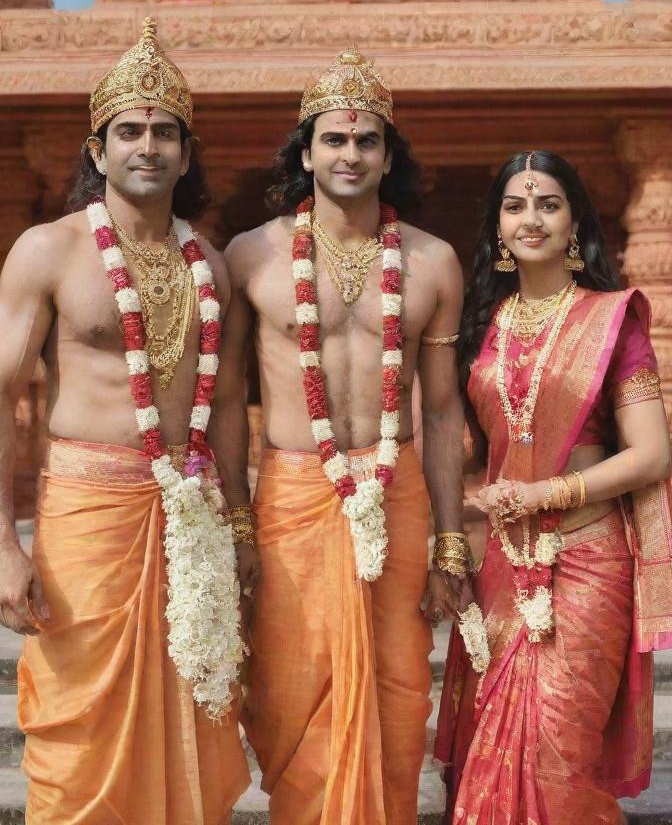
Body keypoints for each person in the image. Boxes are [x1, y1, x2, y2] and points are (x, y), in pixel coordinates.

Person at [0, 18, 249, 824]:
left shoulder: (211, 262)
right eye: (129, 130)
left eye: (164, 132)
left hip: (191, 518)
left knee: (196, 707)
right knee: (78, 726)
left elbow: (224, 401)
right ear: (98, 150)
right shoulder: (48, 250)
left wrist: (241, 530)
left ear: (187, 155)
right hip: (87, 514)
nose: (147, 145)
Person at [214, 47, 471, 825]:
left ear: (390, 155)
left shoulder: (433, 262)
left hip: (399, 493)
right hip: (294, 491)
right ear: (305, 151)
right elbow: (226, 398)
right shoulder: (252, 253)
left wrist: (451, 542)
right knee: (293, 692)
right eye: (333, 139)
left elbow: (441, 411)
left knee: (398, 688)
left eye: (367, 141)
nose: (350, 154)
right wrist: (238, 519)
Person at [434, 150, 672, 825]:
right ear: (496, 226)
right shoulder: (478, 328)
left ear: (575, 221)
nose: (531, 219)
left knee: (560, 744)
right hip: (502, 563)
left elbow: (651, 454)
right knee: (489, 744)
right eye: (515, 206)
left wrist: (545, 494)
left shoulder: (612, 321)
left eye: (548, 204)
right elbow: (455, 445)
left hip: (587, 559)